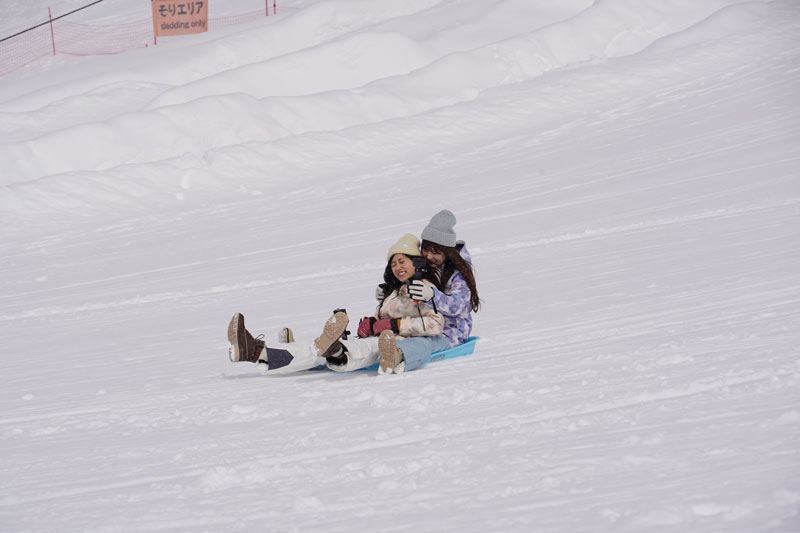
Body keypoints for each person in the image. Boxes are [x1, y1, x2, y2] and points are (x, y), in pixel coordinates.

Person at [226, 233, 447, 375]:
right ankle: (255, 352)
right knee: (317, 349)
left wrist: (394, 326)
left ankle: (337, 350)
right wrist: (371, 323)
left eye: (403, 261)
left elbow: (436, 324)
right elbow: (382, 322)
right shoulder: (392, 292)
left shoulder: (423, 289)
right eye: (394, 264)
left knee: (356, 349)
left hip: (395, 344)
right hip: (378, 339)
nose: (398, 267)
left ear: (416, 262)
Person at [404, 209, 480, 351]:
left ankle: (400, 356)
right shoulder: (424, 264)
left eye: (436, 252)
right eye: (425, 249)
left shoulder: (458, 272)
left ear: (447, 252)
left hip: (451, 332)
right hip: (424, 325)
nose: (428, 256)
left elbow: (459, 306)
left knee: (419, 346)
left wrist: (433, 296)